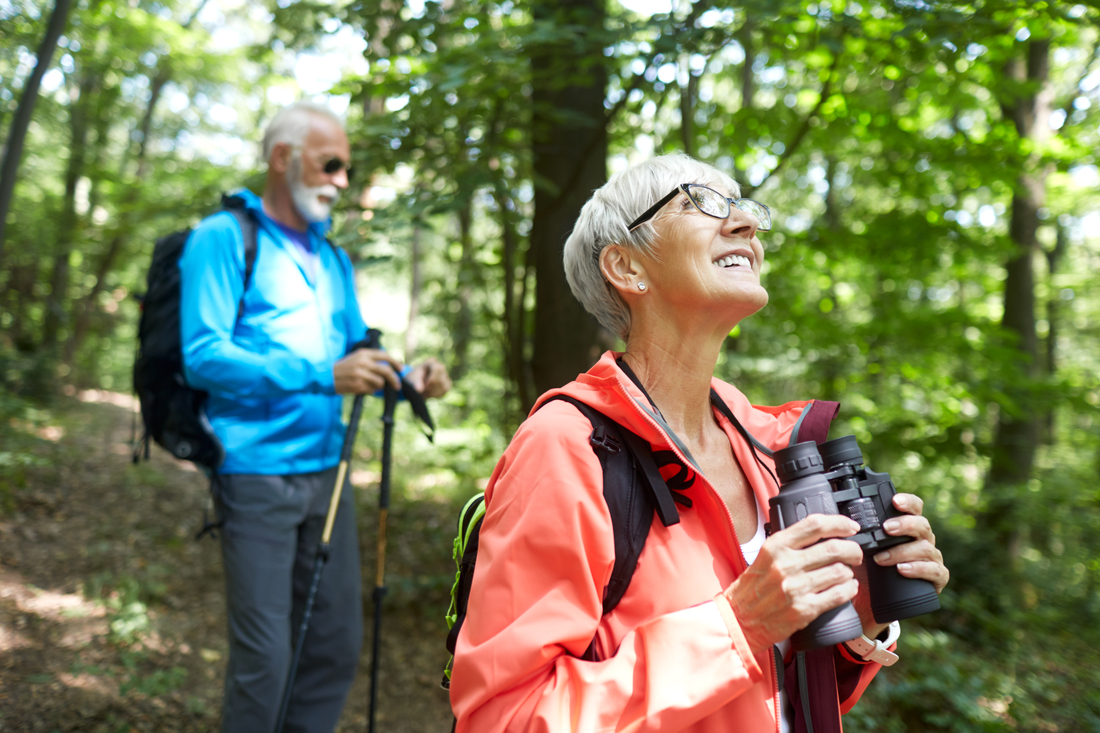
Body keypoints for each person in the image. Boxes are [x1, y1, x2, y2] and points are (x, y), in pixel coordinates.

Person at [449, 154, 949, 732]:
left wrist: (855, 613)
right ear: (627, 266)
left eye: (745, 211)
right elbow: (504, 719)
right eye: (704, 204)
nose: (745, 226)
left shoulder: (764, 447)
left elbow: (773, 698)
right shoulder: (566, 449)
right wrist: (738, 625)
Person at [178, 101, 451, 733]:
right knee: (265, 658)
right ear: (283, 159)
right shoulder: (222, 238)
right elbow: (203, 355)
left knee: (331, 646)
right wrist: (320, 377)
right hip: (254, 476)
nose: (342, 181)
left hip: (328, 478)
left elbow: (357, 354)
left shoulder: (331, 261)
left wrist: (406, 381)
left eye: (347, 169)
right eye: (331, 164)